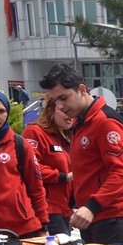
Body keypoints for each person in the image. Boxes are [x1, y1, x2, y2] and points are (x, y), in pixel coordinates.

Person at [39, 64, 123, 245]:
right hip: (94, 215)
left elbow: (121, 173)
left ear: (82, 90)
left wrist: (92, 206)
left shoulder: (106, 122)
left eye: (63, 98)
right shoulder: (82, 122)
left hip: (113, 216)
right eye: (55, 101)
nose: (60, 106)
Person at [0, 89, 48, 239]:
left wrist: (43, 224)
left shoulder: (20, 144)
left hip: (22, 228)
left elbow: (36, 187)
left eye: (1, 111)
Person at [22, 94, 74, 237]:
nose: (70, 115)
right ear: (51, 110)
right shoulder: (35, 132)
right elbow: (31, 167)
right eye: (64, 110)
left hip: (65, 207)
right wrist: (64, 176)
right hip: (48, 207)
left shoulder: (67, 136)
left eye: (72, 111)